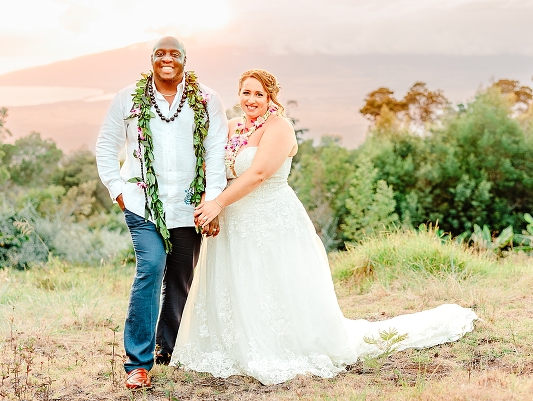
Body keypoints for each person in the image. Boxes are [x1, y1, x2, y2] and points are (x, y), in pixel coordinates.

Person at [172, 69, 478, 385]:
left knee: (272, 282)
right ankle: (233, 346)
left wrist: (218, 204)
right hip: (234, 223)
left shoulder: (280, 128)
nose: (251, 100)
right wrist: (213, 204)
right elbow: (212, 168)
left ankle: (280, 346)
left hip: (271, 220)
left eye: (259, 94)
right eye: (246, 93)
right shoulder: (232, 127)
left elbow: (259, 173)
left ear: (271, 97)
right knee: (237, 281)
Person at [95, 37, 227, 390]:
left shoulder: (208, 100)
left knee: (180, 277)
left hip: (189, 206)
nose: (167, 59)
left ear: (185, 60)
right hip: (142, 204)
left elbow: (215, 153)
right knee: (151, 268)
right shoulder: (127, 98)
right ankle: (138, 363)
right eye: (160, 54)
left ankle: (169, 349)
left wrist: (213, 201)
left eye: (174, 54)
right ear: (151, 60)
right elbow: (107, 144)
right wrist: (118, 190)